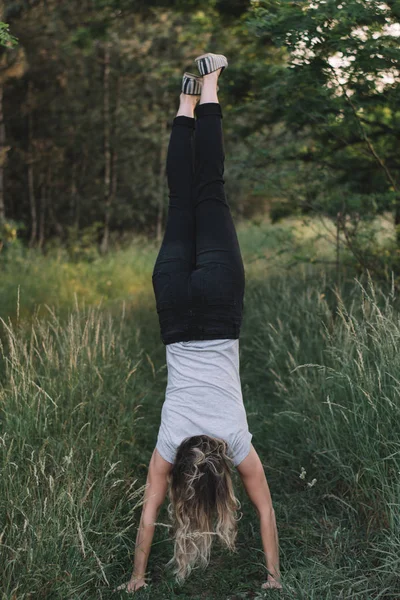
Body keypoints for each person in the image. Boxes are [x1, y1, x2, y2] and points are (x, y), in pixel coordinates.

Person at [116, 53, 282, 595]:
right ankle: (186, 101)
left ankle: (209, 83)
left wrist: (274, 578)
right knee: (180, 200)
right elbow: (148, 517)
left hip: (216, 304)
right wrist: (136, 577)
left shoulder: (236, 441)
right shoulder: (168, 444)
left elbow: (264, 510)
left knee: (209, 188)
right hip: (172, 308)